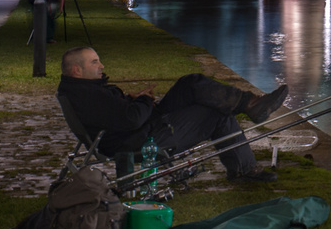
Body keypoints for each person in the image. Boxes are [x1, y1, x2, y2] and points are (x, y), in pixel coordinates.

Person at [58, 46, 288, 182]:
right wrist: (144, 100)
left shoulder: (79, 90)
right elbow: (132, 119)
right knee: (217, 114)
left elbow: (116, 113)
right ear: (77, 70)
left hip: (143, 127)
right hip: (145, 138)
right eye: (95, 62)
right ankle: (243, 167)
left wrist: (132, 99)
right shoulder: (89, 95)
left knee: (191, 83)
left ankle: (250, 103)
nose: (102, 66)